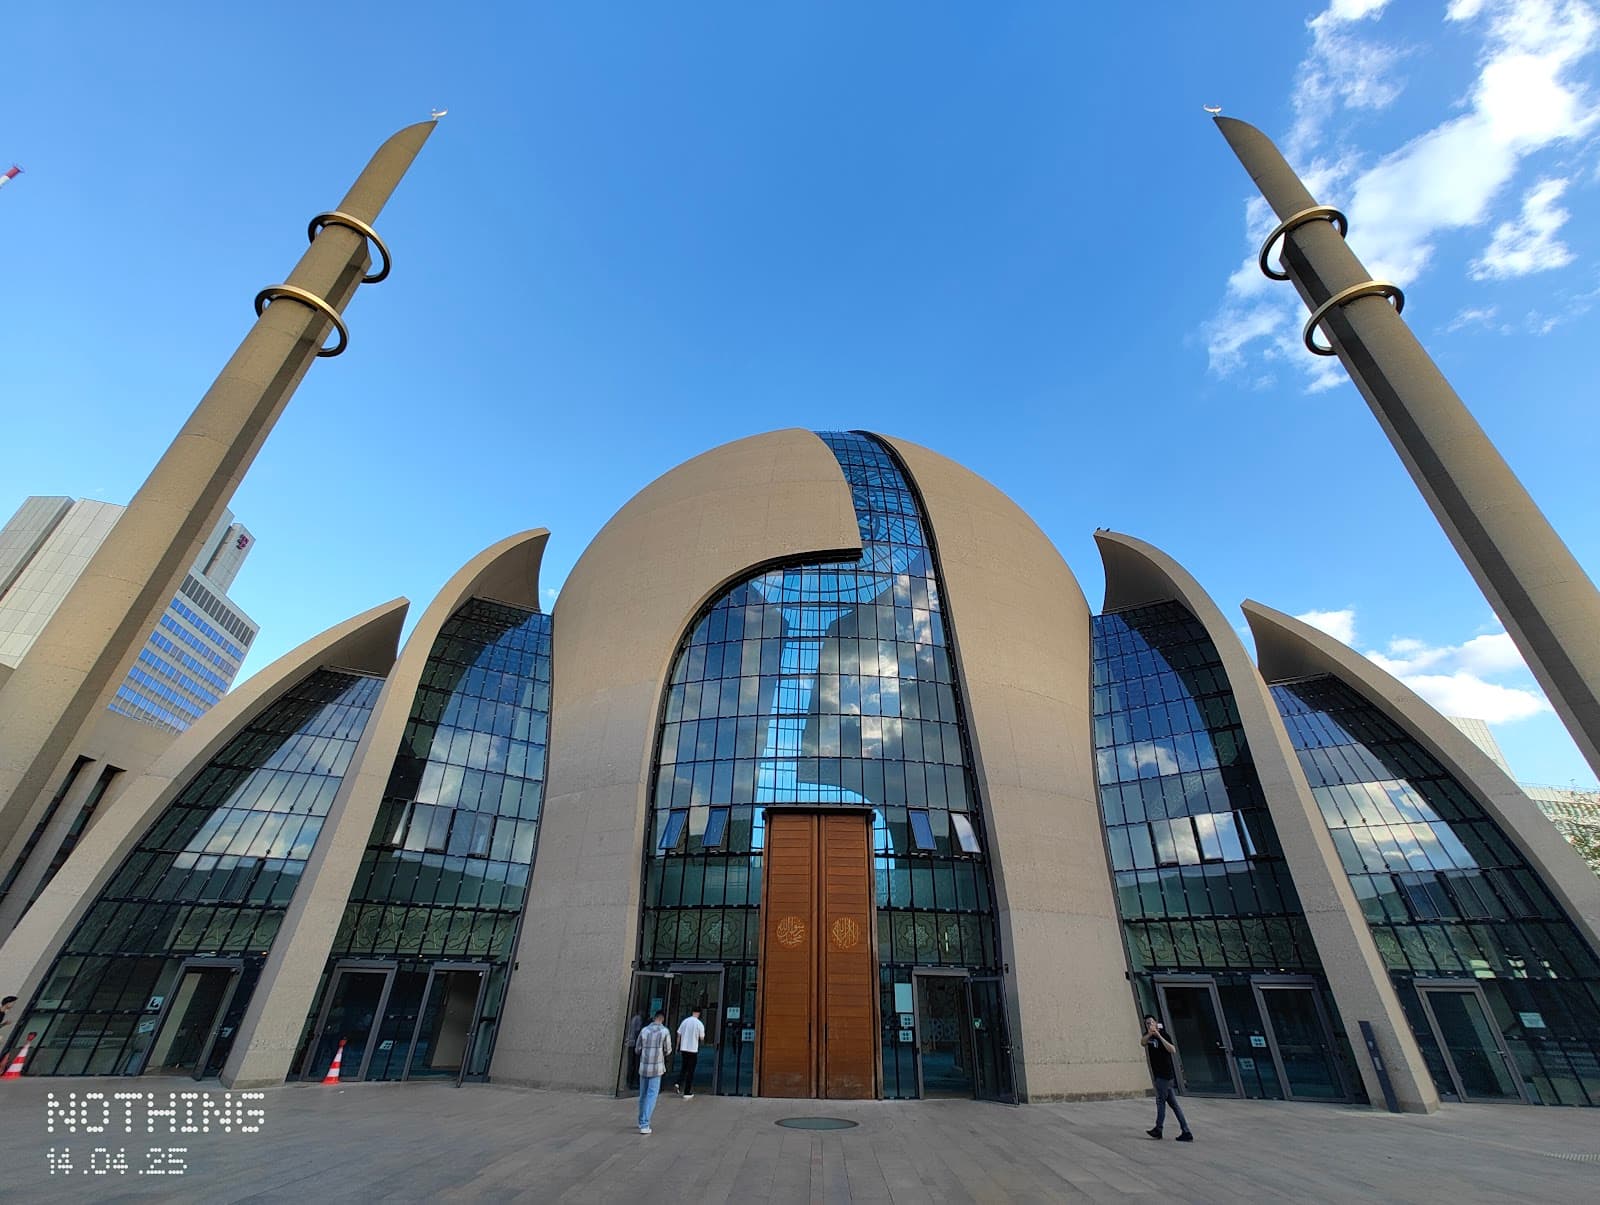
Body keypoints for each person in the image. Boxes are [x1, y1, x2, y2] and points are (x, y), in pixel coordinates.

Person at [1141, 1015, 1194, 1142]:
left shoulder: (1164, 1035)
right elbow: (1142, 1042)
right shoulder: (1148, 1036)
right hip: (1159, 1074)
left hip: (1165, 1075)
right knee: (1174, 1105)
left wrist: (1159, 1035)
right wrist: (1149, 1034)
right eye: (1147, 1024)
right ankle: (1186, 1131)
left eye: (1151, 1023)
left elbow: (1172, 1049)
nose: (1149, 1025)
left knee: (1160, 1102)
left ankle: (1158, 1129)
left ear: (1156, 1023)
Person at [635, 1009, 672, 1134]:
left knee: (643, 1095)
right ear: (662, 1019)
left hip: (644, 1067)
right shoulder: (664, 1031)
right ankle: (645, 1123)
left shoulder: (644, 1030)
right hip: (656, 1068)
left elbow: (637, 1048)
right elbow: (668, 1050)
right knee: (652, 1095)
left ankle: (641, 1121)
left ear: (654, 1017)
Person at [674, 1006, 707, 1098]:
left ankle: (678, 1082)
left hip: (684, 1048)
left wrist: (677, 1047)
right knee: (690, 1071)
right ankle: (687, 1091)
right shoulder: (699, 1024)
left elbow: (678, 1034)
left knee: (684, 1068)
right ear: (699, 1013)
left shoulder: (685, 1021)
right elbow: (702, 1038)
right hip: (693, 1049)